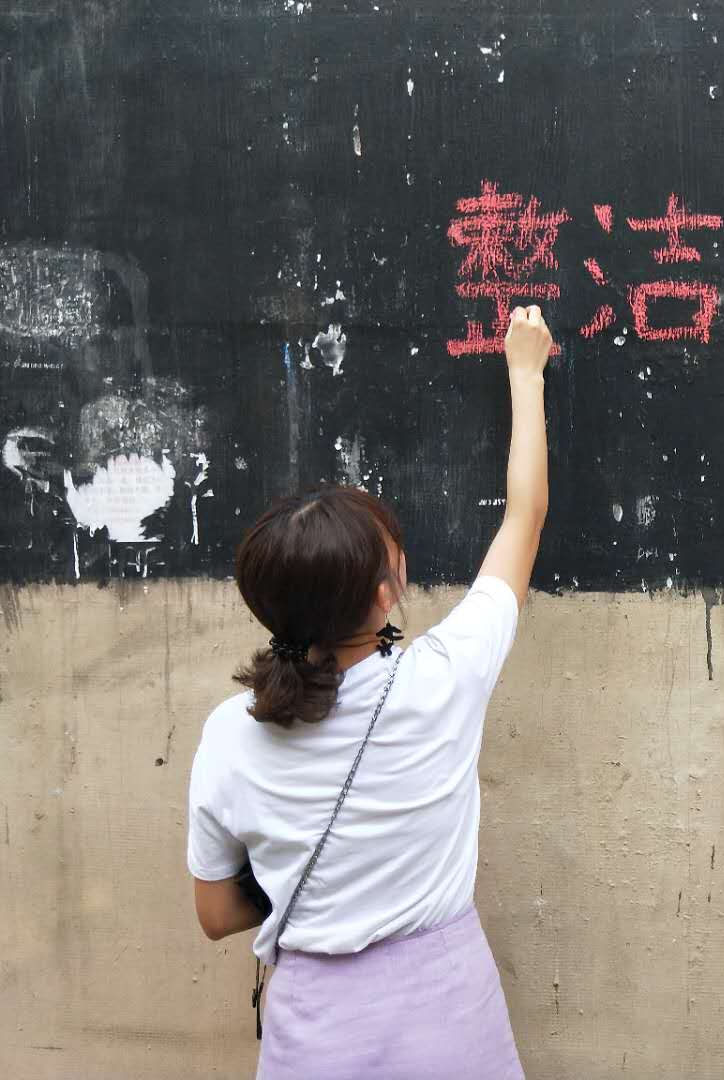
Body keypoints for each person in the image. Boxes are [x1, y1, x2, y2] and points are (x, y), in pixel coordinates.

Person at [186, 307, 554, 1078]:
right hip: (448, 1021)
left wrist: (316, 885)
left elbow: (216, 914)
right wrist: (526, 374)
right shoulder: (442, 677)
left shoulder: (230, 731)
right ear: (387, 595)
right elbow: (524, 518)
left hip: (314, 1033)